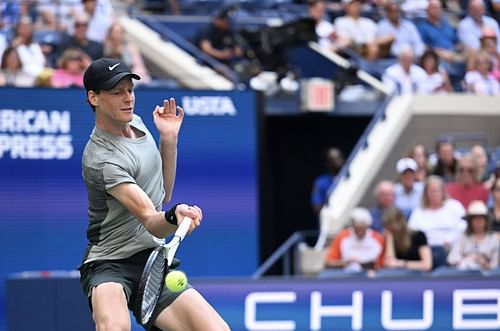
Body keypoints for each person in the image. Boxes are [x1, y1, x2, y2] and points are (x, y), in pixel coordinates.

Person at [78, 58, 230, 331]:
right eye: (117, 93)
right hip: (109, 263)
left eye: (130, 90)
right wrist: (174, 216)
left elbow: (162, 194)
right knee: (115, 329)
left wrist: (168, 140)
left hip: (153, 260)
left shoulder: (137, 124)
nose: (128, 99)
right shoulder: (101, 159)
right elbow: (150, 217)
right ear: (94, 98)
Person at [408, 175, 466, 269]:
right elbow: (412, 232)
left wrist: (449, 239)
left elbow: (463, 227)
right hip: (425, 250)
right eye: (430, 191)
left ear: (443, 192)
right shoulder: (418, 212)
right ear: (425, 193)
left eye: (436, 190)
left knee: (439, 253)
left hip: (451, 247)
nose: (433, 194)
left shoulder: (454, 207)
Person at [322, 207, 385, 277]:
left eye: (362, 229)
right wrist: (346, 262)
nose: (359, 232)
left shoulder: (378, 238)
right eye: (356, 229)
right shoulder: (342, 236)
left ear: (367, 226)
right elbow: (328, 262)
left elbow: (383, 264)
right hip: (346, 275)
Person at [446, 200, 499, 272]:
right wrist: (469, 258)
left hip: (486, 276)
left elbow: (495, 265)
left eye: (481, 218)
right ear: (470, 221)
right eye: (475, 219)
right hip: (464, 274)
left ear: (486, 221)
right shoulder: (462, 237)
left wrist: (484, 262)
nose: (478, 222)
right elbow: (452, 259)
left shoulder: (494, 239)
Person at [379, 207, 432, 276]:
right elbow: (390, 264)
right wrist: (390, 238)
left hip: (417, 273)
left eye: (390, 225)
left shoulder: (419, 236)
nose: (389, 228)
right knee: (383, 274)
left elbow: (427, 265)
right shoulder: (389, 238)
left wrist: (401, 263)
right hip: (396, 274)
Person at [311, 147, 345, 218]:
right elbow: (316, 207)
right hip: (330, 218)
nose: (338, 161)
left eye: (339, 157)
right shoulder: (320, 182)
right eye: (333, 159)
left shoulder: (351, 177)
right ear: (327, 164)